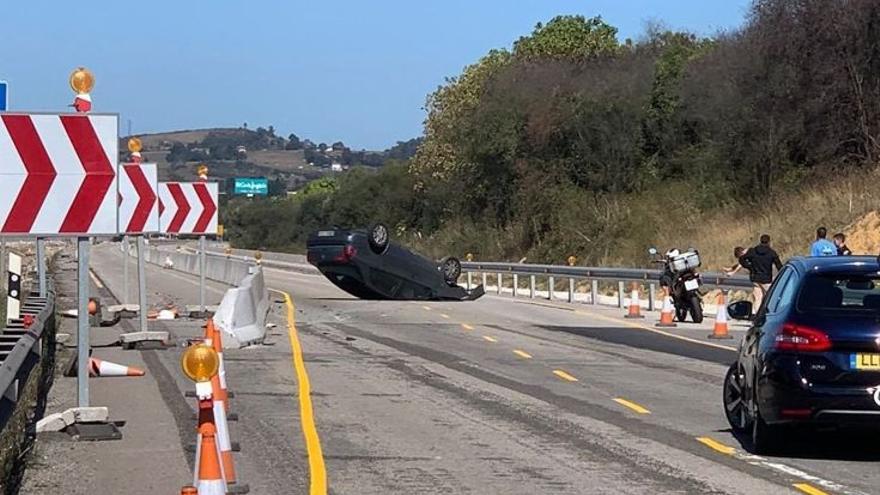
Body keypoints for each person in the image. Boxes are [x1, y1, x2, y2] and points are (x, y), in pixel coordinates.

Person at [739, 235, 782, 312]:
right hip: (766, 279)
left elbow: (741, 259)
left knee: (758, 298)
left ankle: (756, 315)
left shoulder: (753, 251)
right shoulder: (772, 253)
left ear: (760, 241)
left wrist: (750, 267)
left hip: (755, 278)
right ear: (769, 242)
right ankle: (765, 314)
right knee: (769, 298)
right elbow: (779, 266)